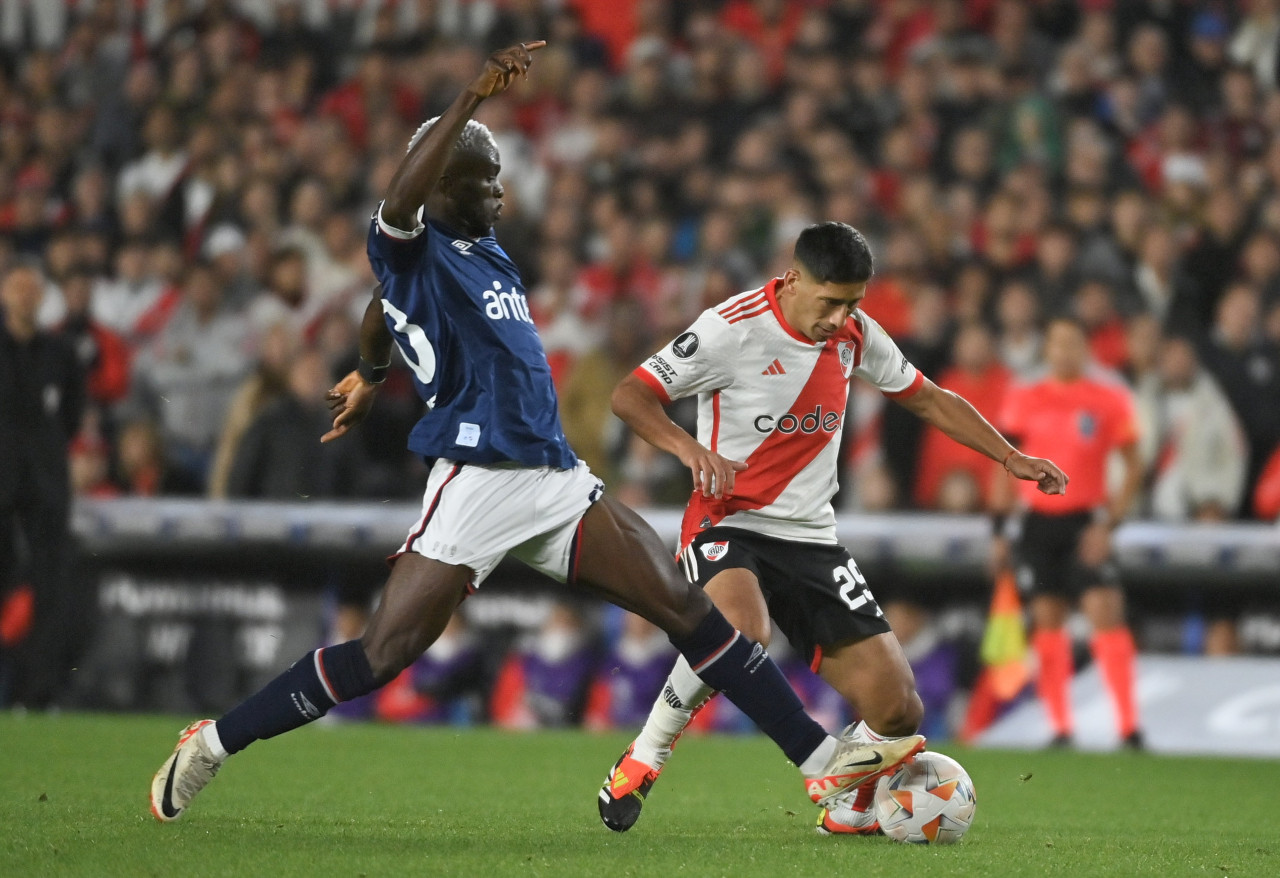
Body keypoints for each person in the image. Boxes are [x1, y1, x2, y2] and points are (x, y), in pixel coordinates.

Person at [148, 43, 924, 826]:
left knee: (687, 610)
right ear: (444, 181)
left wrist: (371, 370)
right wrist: (470, 100)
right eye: (484, 179)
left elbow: (383, 309)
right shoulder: (407, 240)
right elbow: (395, 213)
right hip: (478, 478)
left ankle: (821, 762)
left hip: (553, 477)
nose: (501, 192)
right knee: (380, 656)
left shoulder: (479, 254)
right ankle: (214, 742)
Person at [596, 222, 1068, 835]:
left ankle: (846, 807)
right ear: (793, 281)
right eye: (830, 302)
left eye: (853, 303)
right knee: (741, 628)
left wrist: (1010, 457)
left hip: (812, 536)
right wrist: (689, 451)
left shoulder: (855, 334)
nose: (841, 317)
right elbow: (630, 395)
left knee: (899, 709)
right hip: (728, 518)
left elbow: (927, 397)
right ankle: (646, 754)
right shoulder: (729, 328)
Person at [991, 316, 1144, 750]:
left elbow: (1134, 464)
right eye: (1057, 343)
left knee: (1105, 610)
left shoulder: (1108, 400)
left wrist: (1110, 523)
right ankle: (1060, 727)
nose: (1065, 351)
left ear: (1086, 349)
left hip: (1085, 521)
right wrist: (1000, 528)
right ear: (1048, 349)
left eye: (1073, 343)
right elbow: (1003, 465)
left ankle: (1129, 726)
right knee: (1047, 620)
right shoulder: (1026, 398)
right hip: (1039, 524)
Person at [0, 263, 86, 708]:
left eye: (33, 290)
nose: (25, 298)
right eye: (18, 289)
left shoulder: (60, 350)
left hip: (45, 483)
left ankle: (39, 693)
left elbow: (71, 415)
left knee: (50, 589)